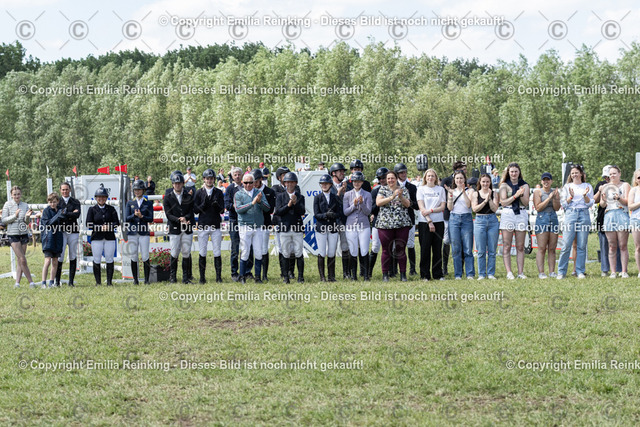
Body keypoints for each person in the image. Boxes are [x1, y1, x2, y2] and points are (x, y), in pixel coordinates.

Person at [557, 165, 594, 279]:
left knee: (581, 245)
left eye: (576, 172)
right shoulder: (567, 187)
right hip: (571, 214)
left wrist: (585, 196)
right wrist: (571, 197)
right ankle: (561, 272)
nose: (574, 175)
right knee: (566, 244)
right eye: (572, 173)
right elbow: (563, 204)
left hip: (584, 214)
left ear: (581, 174)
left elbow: (590, 203)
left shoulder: (587, 186)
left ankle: (580, 271)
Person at [375, 170, 412, 281]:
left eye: (392, 178)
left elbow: (408, 204)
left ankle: (403, 274)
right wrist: (392, 197)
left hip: (402, 223)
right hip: (385, 224)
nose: (390, 180)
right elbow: (378, 203)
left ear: (396, 179)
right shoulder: (382, 189)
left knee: (401, 249)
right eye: (388, 178)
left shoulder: (403, 189)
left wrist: (400, 197)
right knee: (386, 250)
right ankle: (385, 274)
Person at [234, 173, 271, 284]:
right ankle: (242, 276)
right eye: (246, 182)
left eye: (250, 182)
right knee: (245, 251)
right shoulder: (238, 194)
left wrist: (259, 202)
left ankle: (258, 277)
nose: (248, 185)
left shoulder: (259, 193)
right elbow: (238, 209)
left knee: (258, 252)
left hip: (258, 226)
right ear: (242, 183)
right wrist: (252, 203)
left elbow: (267, 208)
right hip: (245, 226)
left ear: (254, 182)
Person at [499, 163, 530, 279]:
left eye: (516, 171)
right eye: (511, 171)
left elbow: (526, 203)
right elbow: (503, 202)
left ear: (519, 172)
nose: (514, 173)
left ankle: (520, 273)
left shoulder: (525, 185)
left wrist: (521, 195)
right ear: (508, 172)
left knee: (520, 246)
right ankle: (509, 272)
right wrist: (515, 196)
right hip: (508, 214)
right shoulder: (504, 185)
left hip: (521, 214)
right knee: (507, 245)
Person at [194, 169, 225, 284]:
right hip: (203, 225)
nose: (209, 180)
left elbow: (222, 210)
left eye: (211, 178)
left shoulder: (219, 192)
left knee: (217, 251)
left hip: (215, 225)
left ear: (214, 179)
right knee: (202, 251)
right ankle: (202, 277)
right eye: (207, 178)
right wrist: (204, 204)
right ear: (204, 179)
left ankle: (218, 277)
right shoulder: (199, 192)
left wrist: (217, 206)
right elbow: (195, 210)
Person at [163, 172, 195, 284]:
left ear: (182, 184)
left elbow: (191, 211)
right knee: (174, 252)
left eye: (179, 183)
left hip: (187, 227)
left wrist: (186, 218)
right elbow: (168, 214)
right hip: (174, 227)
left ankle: (185, 278)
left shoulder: (188, 197)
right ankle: (173, 277)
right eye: (175, 183)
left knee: (186, 251)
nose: (177, 185)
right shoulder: (167, 197)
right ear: (173, 184)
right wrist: (179, 219)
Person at [599, 165, 630, 278]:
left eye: (614, 173)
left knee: (623, 245)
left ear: (619, 174)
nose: (612, 175)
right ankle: (613, 272)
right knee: (612, 246)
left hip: (622, 214)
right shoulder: (605, 187)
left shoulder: (625, 185)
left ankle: (624, 271)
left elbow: (627, 202)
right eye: (610, 174)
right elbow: (602, 204)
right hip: (609, 215)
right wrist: (604, 200)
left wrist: (619, 198)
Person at [275, 172, 306, 283]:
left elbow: (302, 211)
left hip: (297, 227)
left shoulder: (300, 197)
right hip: (285, 227)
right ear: (284, 183)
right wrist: (288, 206)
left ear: (295, 183)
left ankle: (300, 277)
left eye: (292, 182)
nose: (289, 184)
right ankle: (286, 277)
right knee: (285, 252)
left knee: (298, 252)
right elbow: (278, 211)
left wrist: (295, 203)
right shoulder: (280, 196)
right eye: (287, 182)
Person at [2, 186, 36, 288]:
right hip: (13, 235)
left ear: (21, 194)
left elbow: (26, 222)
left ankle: (17, 283)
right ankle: (31, 282)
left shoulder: (25, 205)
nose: (17, 196)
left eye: (18, 194)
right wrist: (15, 216)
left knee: (20, 260)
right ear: (11, 195)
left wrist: (27, 217)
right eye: (15, 194)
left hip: (24, 234)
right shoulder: (7, 204)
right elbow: (3, 220)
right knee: (22, 259)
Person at [86, 185, 119, 286]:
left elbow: (116, 223)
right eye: (99, 197)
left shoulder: (111, 209)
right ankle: (98, 282)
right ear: (96, 198)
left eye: (103, 197)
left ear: (106, 198)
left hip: (109, 237)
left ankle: (109, 282)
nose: (101, 198)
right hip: (97, 237)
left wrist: (109, 227)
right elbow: (88, 224)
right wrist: (100, 227)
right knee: (97, 259)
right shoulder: (92, 209)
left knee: (109, 259)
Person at [417, 169, 446, 281]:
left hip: (439, 221)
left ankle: (438, 274)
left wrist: (431, 210)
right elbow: (421, 207)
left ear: (436, 177)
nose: (430, 178)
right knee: (425, 249)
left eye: (432, 176)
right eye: (428, 176)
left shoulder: (441, 189)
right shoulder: (421, 189)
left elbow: (442, 206)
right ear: (425, 177)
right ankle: (425, 274)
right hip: (424, 222)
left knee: (437, 249)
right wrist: (429, 221)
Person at [445, 170, 475, 280]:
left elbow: (468, 205)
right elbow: (450, 208)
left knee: (468, 248)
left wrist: (463, 192)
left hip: (466, 219)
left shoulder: (470, 190)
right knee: (456, 249)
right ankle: (458, 274)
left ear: (464, 179)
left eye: (461, 178)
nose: (459, 180)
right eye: (457, 178)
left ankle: (470, 273)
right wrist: (450, 196)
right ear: (454, 180)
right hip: (454, 219)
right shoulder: (451, 191)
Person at [343, 171, 372, 281]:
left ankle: (366, 275)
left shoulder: (367, 194)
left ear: (362, 182)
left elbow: (368, 211)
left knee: (364, 250)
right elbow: (345, 212)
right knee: (353, 250)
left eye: (359, 181)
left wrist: (362, 203)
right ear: (352, 182)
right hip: (351, 225)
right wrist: (354, 205)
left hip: (364, 225)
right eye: (355, 181)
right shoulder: (347, 195)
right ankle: (353, 275)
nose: (357, 183)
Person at [594, 165, 622, 276]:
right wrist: (600, 191)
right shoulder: (601, 185)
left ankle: (619, 268)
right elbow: (594, 200)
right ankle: (605, 269)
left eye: (609, 176)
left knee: (618, 244)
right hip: (603, 217)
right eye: (606, 176)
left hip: (618, 217)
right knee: (604, 244)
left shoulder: (621, 184)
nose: (607, 178)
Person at [125, 180, 154, 284]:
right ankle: (135, 279)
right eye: (135, 190)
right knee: (134, 256)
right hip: (132, 233)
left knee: (145, 255)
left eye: (139, 190)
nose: (137, 192)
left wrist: (142, 217)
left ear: (143, 190)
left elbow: (151, 218)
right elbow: (126, 218)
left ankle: (146, 280)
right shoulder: (130, 203)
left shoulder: (148, 203)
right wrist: (134, 215)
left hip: (144, 232)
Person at [224, 166, 251, 281]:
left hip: (246, 221)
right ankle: (234, 272)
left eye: (239, 174)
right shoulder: (230, 189)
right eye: (235, 175)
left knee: (248, 247)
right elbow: (227, 204)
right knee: (235, 248)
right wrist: (236, 206)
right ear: (232, 176)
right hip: (234, 221)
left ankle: (247, 271)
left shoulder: (247, 187)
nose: (238, 176)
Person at [471, 173, 500, 280]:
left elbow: (495, 209)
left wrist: (490, 199)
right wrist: (485, 201)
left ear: (490, 182)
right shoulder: (475, 194)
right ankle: (482, 274)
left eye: (487, 182)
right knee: (481, 250)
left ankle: (491, 273)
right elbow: (475, 209)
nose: (485, 184)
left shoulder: (494, 193)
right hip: (480, 221)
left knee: (492, 250)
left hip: (492, 221)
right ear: (480, 182)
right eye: (483, 181)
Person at [441, 161, 467, 276]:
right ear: (457, 170)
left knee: (461, 242)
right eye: (463, 169)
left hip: (463, 215)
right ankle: (444, 267)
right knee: (446, 241)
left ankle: (461, 268)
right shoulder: (446, 181)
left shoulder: (465, 181)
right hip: (448, 215)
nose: (465, 171)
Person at [533, 173, 561, 279]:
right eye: (544, 180)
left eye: (548, 180)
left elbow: (557, 208)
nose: (546, 182)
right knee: (542, 247)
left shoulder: (555, 192)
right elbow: (538, 207)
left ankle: (552, 271)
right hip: (542, 219)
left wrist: (555, 198)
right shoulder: (537, 192)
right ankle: (541, 272)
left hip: (553, 218)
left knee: (552, 248)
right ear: (541, 182)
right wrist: (549, 198)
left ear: (551, 181)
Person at [314, 174, 341, 281]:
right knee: (322, 252)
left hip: (333, 227)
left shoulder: (335, 198)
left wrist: (333, 215)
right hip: (321, 227)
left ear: (330, 185)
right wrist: (326, 215)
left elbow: (339, 213)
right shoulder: (317, 198)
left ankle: (331, 276)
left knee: (331, 252)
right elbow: (316, 214)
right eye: (322, 184)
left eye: (326, 184)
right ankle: (322, 276)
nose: (324, 185)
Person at [394, 163, 419, 276]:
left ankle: (412, 269)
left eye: (405, 172)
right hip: (395, 219)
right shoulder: (392, 186)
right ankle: (394, 270)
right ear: (397, 174)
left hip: (409, 218)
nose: (404, 174)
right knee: (396, 244)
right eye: (401, 173)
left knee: (410, 243)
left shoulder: (412, 187)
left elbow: (416, 205)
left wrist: (408, 201)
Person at [55, 181, 81, 287]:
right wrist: (70, 214)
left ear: (70, 190)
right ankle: (57, 281)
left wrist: (65, 213)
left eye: (66, 189)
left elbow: (77, 215)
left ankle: (71, 282)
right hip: (61, 231)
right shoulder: (57, 202)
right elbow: (58, 215)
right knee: (60, 256)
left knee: (72, 255)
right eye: (63, 190)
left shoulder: (75, 201)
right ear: (60, 190)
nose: (65, 191)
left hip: (73, 231)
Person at [329, 162, 353, 278]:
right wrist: (338, 195)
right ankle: (331, 274)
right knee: (331, 248)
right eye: (340, 171)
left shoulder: (349, 187)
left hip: (344, 220)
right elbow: (329, 205)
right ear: (333, 173)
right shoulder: (328, 186)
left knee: (345, 247)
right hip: (332, 221)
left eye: (343, 171)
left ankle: (346, 273)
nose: (343, 173)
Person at [253, 168, 276, 282]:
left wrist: (260, 203)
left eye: (256, 181)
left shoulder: (269, 192)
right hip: (252, 223)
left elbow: (270, 209)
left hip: (265, 223)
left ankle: (264, 274)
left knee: (264, 249)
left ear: (261, 179)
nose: (254, 184)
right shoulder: (250, 191)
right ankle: (254, 273)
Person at [40, 192, 65, 288]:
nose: (52, 204)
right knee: (47, 261)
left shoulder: (60, 210)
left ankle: (51, 282)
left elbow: (64, 220)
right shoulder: (46, 211)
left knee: (55, 261)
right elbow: (48, 223)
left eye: (54, 202)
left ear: (57, 201)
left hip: (58, 238)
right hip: (48, 238)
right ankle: (43, 282)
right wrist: (58, 215)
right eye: (50, 202)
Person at [368, 167, 388, 276]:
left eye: (383, 177)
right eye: (379, 178)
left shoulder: (393, 189)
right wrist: (381, 202)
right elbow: (372, 209)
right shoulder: (375, 190)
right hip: (378, 221)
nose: (382, 180)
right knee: (375, 246)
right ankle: (369, 272)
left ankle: (392, 271)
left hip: (390, 222)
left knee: (391, 247)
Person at [628, 169, 640, 277]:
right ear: (636, 179)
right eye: (639, 177)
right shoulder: (633, 190)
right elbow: (630, 206)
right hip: (636, 220)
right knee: (638, 247)